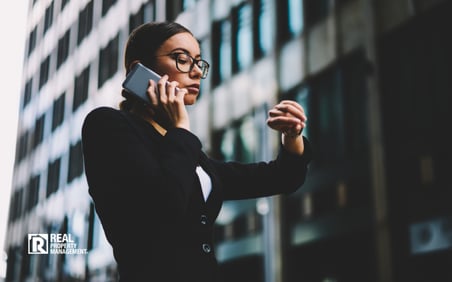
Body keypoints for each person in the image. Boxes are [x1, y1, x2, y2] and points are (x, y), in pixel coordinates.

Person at [81, 21, 312, 282]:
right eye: (181, 59)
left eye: (199, 63)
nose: (196, 72)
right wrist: (180, 128)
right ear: (140, 70)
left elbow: (282, 178)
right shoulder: (107, 125)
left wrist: (292, 136)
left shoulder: (190, 155)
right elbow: (163, 206)